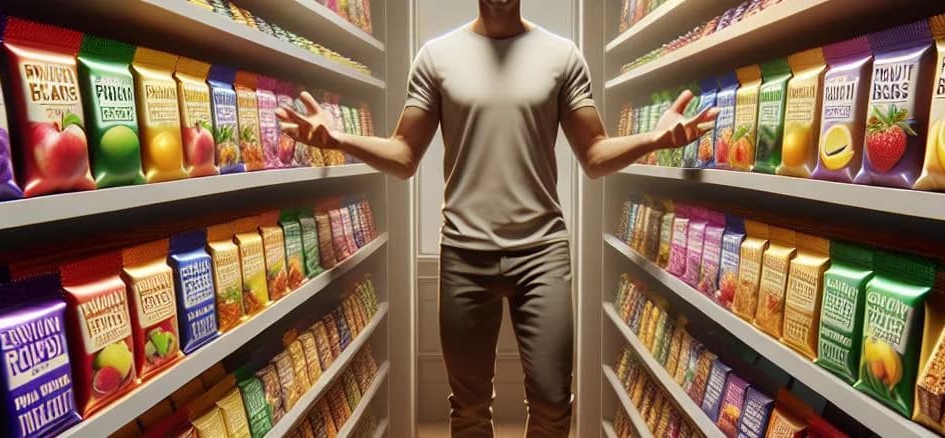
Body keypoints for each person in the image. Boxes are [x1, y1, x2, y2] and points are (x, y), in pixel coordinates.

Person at [276, 0, 718, 435]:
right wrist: (337, 137)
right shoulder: (436, 56)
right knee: (468, 409)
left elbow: (595, 155)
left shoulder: (562, 55)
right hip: (464, 256)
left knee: (552, 404)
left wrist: (654, 139)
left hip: (543, 253)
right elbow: (404, 155)